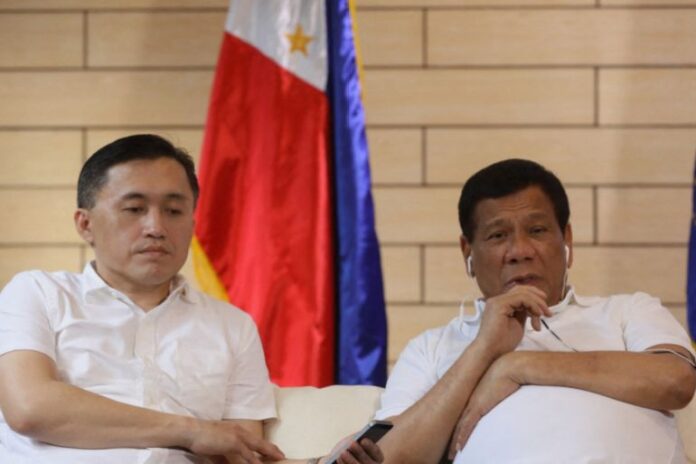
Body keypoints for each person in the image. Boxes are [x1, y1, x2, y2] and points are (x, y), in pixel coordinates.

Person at [0, 134, 382, 464]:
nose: (156, 227)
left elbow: (236, 454)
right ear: (85, 224)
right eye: (134, 209)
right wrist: (192, 431)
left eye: (174, 211)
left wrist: (318, 462)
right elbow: (30, 407)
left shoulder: (232, 326)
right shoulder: (38, 294)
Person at [372, 159, 696, 463]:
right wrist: (485, 349)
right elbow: (388, 457)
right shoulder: (430, 349)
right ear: (467, 251)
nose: (520, 251)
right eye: (498, 235)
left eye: (537, 230)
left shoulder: (628, 311)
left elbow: (676, 381)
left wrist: (517, 367)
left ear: (566, 239)